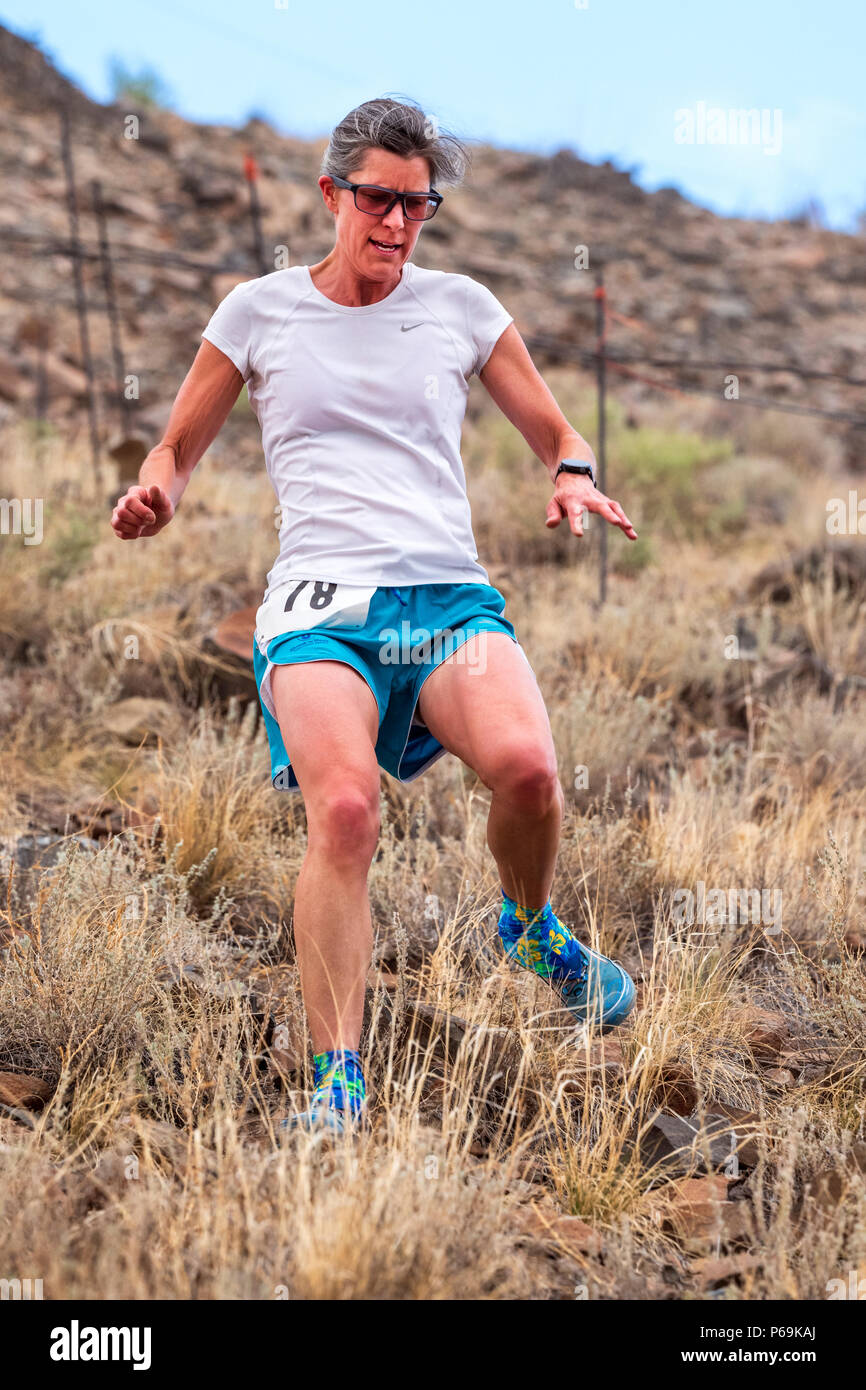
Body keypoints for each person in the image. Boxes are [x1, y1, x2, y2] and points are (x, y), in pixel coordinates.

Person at [111, 97, 639, 1137]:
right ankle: (337, 1080)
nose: (396, 224)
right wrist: (158, 490)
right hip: (319, 608)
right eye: (378, 201)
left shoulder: (458, 306)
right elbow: (174, 446)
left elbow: (553, 427)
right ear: (330, 195)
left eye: (418, 205)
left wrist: (572, 473)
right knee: (345, 811)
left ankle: (528, 927)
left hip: (442, 598)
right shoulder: (257, 310)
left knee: (531, 774)